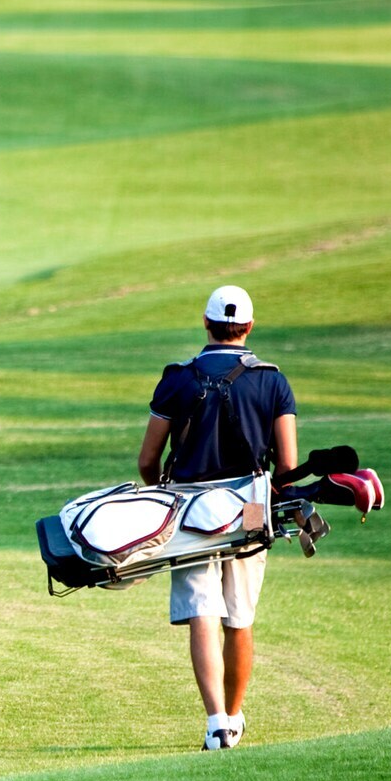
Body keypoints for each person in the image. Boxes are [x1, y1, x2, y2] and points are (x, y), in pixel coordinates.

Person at [136, 285, 298, 751]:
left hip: (188, 507)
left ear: (205, 324)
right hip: (248, 505)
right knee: (239, 616)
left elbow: (148, 460)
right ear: (248, 327)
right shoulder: (273, 381)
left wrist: (157, 495)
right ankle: (236, 713)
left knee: (201, 610)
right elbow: (286, 465)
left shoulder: (177, 378)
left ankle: (215, 723)